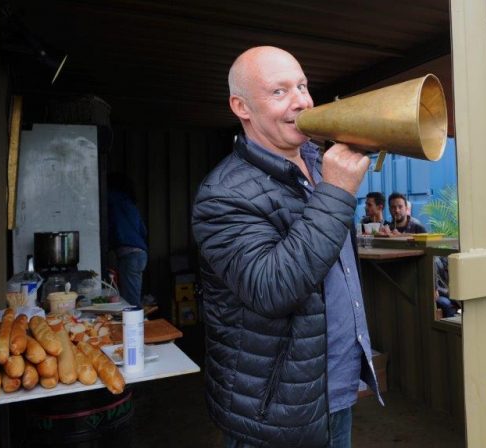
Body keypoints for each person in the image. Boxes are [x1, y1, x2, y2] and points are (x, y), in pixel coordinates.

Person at [192, 46, 381, 448]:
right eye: (279, 92)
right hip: (275, 415)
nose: (301, 101)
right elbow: (271, 287)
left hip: (334, 389)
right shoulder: (221, 194)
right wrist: (335, 191)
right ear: (241, 106)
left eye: (302, 85)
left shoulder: (319, 160)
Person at [107, 172, 148, 308]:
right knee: (130, 297)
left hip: (130, 256)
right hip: (139, 254)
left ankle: (136, 327)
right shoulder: (130, 203)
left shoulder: (112, 198)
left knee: (130, 302)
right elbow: (143, 230)